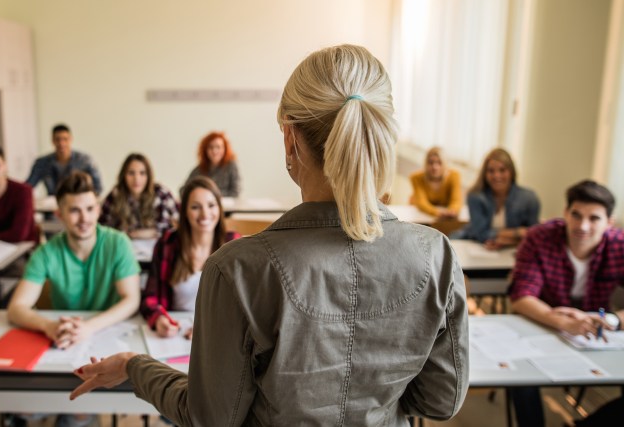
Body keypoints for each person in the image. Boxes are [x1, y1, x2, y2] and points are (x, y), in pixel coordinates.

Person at [69, 44, 469, 426]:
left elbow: (211, 418)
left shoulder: (237, 268)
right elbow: (440, 401)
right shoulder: (436, 255)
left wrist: (134, 366)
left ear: (289, 138)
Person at [7, 171, 140, 427]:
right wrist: (49, 326)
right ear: (59, 214)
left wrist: (89, 327)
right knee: (27, 407)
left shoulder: (117, 243)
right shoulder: (47, 252)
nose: (84, 218)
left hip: (105, 336)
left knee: (77, 415)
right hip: (63, 340)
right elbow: (16, 308)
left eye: (90, 209)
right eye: (75, 211)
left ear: (99, 209)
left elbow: (131, 300)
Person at [509, 180, 624, 427]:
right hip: (543, 324)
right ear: (565, 213)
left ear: (609, 223)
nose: (583, 226)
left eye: (594, 218)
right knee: (520, 379)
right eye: (576, 215)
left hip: (596, 330)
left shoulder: (619, 245)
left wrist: (613, 319)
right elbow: (521, 296)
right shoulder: (540, 237)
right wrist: (560, 320)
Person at [141, 176, 240, 337]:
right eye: (195, 207)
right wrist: (159, 319)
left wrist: (211, 327)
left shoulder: (235, 244)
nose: (205, 214)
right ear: (185, 211)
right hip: (176, 333)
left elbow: (245, 305)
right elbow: (149, 298)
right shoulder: (167, 244)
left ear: (220, 209)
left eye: (211, 205)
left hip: (220, 334)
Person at [455, 148, 540, 249]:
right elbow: (480, 233)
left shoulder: (529, 198)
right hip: (472, 244)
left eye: (502, 170)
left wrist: (505, 242)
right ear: (485, 174)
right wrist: (517, 233)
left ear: (511, 172)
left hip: (512, 250)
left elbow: (533, 236)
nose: (497, 175)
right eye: (491, 171)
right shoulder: (475, 195)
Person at [99, 153, 179, 240]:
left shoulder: (161, 194)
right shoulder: (116, 194)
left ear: (148, 176)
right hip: (125, 246)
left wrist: (143, 234)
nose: (136, 179)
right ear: (124, 175)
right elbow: (103, 227)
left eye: (142, 173)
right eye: (131, 173)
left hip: (157, 246)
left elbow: (174, 225)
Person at [26, 124, 103, 195]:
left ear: (71, 139)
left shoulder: (85, 160)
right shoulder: (42, 163)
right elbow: (28, 186)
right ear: (52, 140)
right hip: (52, 205)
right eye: (57, 139)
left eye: (65, 139)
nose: (61, 143)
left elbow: (98, 187)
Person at [183, 131, 241, 197]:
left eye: (218, 147)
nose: (214, 151)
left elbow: (236, 192)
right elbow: (183, 190)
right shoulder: (199, 169)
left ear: (225, 149)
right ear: (205, 150)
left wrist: (210, 195)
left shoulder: (231, 166)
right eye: (211, 147)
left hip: (227, 206)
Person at [409, 146, 462, 219]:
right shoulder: (416, 178)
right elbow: (422, 203)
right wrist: (438, 212)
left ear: (445, 164)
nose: (435, 166)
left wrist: (452, 211)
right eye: (431, 162)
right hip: (421, 215)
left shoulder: (454, 176)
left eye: (439, 163)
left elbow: (456, 200)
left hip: (442, 218)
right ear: (426, 164)